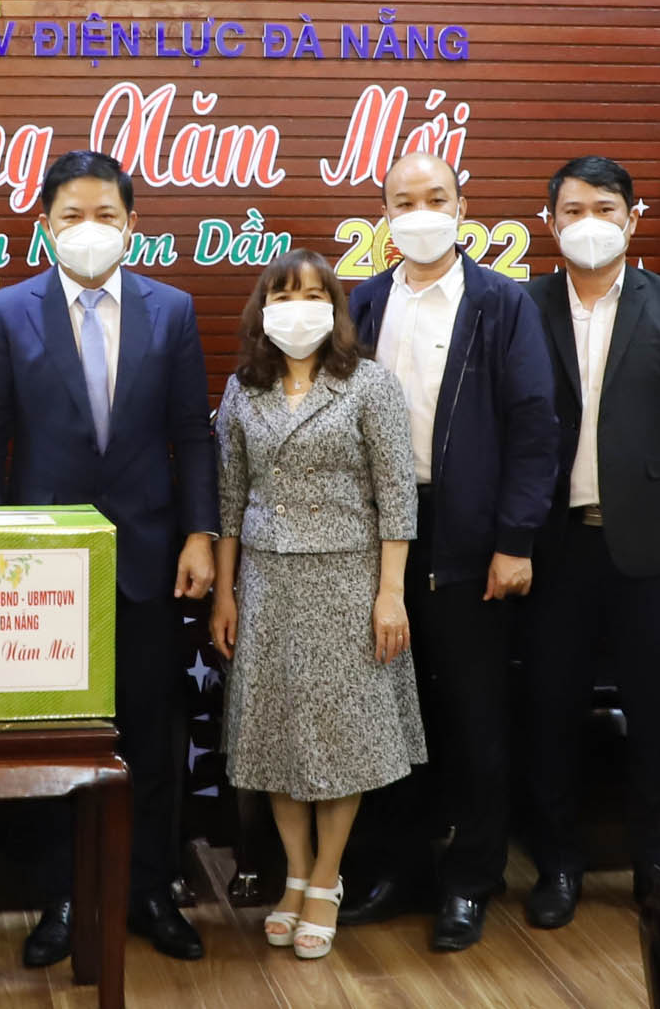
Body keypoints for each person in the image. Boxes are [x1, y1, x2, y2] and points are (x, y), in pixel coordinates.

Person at [0, 150, 218, 965]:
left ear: (133, 225)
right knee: (54, 738)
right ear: (43, 226)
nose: (89, 229)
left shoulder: (171, 311)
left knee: (148, 731)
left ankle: (148, 886)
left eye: (106, 214)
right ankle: (61, 894)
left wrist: (201, 533)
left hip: (147, 558)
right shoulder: (7, 314)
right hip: (41, 565)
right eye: (71, 215)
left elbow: (191, 435)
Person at [338, 151, 558, 950]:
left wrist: (515, 539)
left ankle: (471, 878)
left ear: (463, 207)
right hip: (380, 543)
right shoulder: (362, 301)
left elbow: (535, 428)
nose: (421, 210)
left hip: (472, 538)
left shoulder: (501, 303)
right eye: (405, 200)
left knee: (474, 717)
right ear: (384, 213)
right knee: (390, 717)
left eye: (437, 197)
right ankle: (398, 871)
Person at [210, 249, 425, 961]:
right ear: (262, 310)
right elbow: (229, 501)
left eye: (312, 294)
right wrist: (224, 590)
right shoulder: (244, 389)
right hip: (267, 583)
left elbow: (397, 497)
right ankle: (295, 875)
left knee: (343, 735)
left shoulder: (368, 386)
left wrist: (389, 594)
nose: (297, 307)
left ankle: (328, 879)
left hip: (350, 580)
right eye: (283, 294)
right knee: (275, 736)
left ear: (335, 309)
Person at [520, 156, 660, 924]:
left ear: (634, 219)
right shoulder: (518, 305)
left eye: (606, 208)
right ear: (550, 220)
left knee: (658, 710)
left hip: (651, 543)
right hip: (551, 544)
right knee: (549, 708)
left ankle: (658, 859)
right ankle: (557, 865)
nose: (589, 223)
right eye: (573, 209)